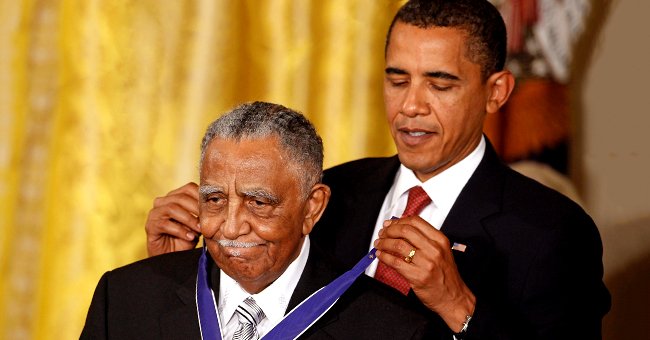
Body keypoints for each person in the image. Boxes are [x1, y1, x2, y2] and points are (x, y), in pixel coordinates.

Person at [144, 1, 611, 339]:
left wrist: (458, 304)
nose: (411, 106)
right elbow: (257, 316)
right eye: (397, 79)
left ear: (496, 92)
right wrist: (175, 270)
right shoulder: (330, 193)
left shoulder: (554, 232)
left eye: (440, 84)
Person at [81, 102, 438, 339]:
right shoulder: (125, 299)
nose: (231, 227)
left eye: (258, 203)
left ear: (312, 208)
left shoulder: (390, 328)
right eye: (215, 199)